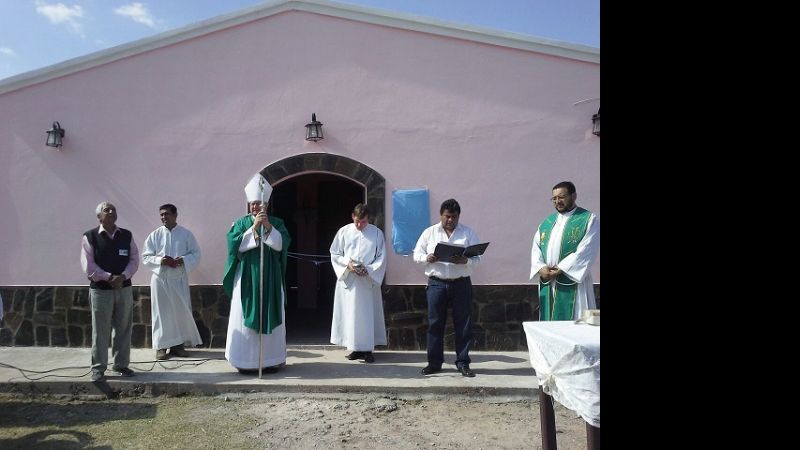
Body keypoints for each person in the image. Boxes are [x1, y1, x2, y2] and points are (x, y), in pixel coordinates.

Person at [223, 173, 291, 374]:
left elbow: (283, 244)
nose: (256, 207)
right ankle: (245, 361)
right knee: (244, 316)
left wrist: (268, 228)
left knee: (271, 314)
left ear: (266, 205)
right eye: (253, 204)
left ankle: (270, 360)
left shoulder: (277, 223)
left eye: (259, 203)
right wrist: (254, 228)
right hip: (246, 277)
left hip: (271, 276)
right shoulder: (240, 223)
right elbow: (234, 246)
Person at [413, 199, 481, 377]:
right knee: (435, 323)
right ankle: (434, 363)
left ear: (459, 216)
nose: (450, 220)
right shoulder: (429, 233)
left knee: (464, 325)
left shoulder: (468, 233)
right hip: (437, 282)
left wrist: (466, 260)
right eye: (447, 216)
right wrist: (426, 257)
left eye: (454, 217)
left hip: (461, 283)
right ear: (441, 215)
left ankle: (463, 363)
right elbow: (416, 254)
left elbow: (478, 259)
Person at [80, 202, 139, 382]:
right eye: (107, 210)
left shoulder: (126, 235)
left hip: (124, 288)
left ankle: (121, 365)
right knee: (101, 330)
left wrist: (122, 276)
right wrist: (108, 277)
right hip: (101, 291)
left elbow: (134, 259)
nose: (111, 212)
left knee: (123, 327)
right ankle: (98, 368)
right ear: (99, 216)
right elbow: (88, 265)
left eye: (113, 209)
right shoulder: (89, 237)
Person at [530, 181, 600, 321]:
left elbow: (587, 249)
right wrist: (540, 267)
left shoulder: (588, 219)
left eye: (561, 197)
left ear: (574, 196)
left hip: (573, 280)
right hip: (549, 281)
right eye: (554, 198)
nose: (557, 201)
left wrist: (561, 268)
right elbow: (536, 248)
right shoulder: (547, 222)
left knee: (574, 321)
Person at [141, 203, 203, 360]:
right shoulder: (155, 235)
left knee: (179, 312)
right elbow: (146, 256)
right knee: (161, 314)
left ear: (175, 215)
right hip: (160, 279)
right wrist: (161, 260)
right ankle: (161, 346)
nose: (163, 217)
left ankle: (178, 346)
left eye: (167, 214)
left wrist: (181, 260)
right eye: (161, 214)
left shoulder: (186, 235)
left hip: (178, 279)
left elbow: (196, 254)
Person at [329, 203, 387, 363]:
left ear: (368, 219)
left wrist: (369, 269)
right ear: (352, 217)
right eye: (357, 221)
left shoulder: (376, 233)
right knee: (351, 314)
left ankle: (368, 349)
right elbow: (334, 253)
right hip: (350, 279)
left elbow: (381, 257)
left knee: (367, 315)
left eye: (364, 222)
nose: (360, 225)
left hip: (368, 281)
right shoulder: (344, 232)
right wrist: (347, 264)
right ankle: (354, 347)